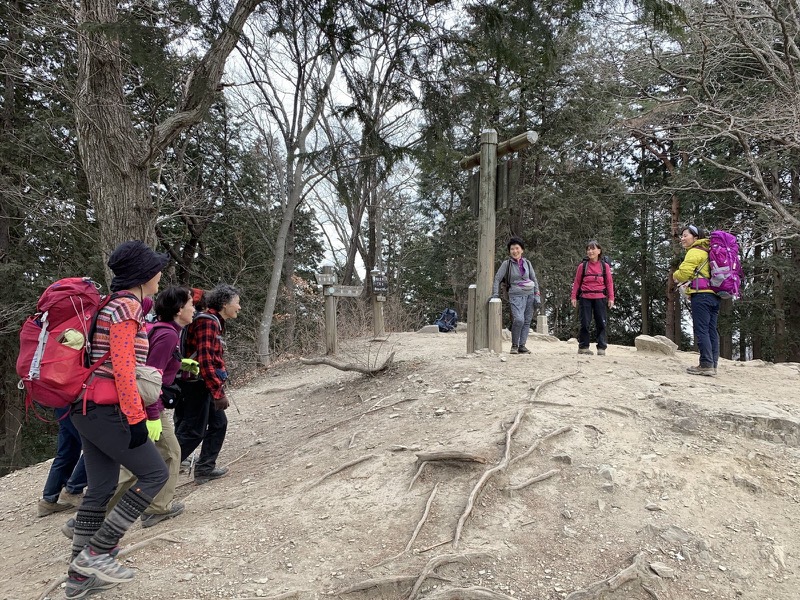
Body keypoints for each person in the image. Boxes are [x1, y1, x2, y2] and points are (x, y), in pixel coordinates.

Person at [64, 241, 170, 599]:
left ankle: (78, 578)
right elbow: (124, 369)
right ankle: (97, 552)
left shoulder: (109, 305)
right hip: (107, 409)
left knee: (101, 488)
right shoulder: (126, 308)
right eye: (156, 270)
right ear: (144, 275)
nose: (160, 275)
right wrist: (137, 417)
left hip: (85, 409)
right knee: (156, 474)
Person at [106, 286, 193, 528]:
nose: (194, 309)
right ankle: (156, 508)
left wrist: (180, 364)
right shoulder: (169, 336)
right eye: (191, 304)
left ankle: (93, 514)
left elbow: (153, 367)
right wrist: (152, 415)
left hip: (141, 405)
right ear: (178, 310)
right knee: (167, 455)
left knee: (140, 462)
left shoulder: (159, 329)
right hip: (147, 407)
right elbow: (147, 379)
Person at [176, 284, 240, 484]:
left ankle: (205, 468)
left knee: (219, 424)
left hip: (204, 383)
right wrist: (218, 392)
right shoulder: (208, 323)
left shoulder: (214, 321)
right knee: (193, 432)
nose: (239, 308)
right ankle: (154, 471)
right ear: (224, 304)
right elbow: (205, 360)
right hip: (197, 385)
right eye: (237, 303)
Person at [673, 225, 720, 376]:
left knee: (702, 329)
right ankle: (713, 364)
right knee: (712, 329)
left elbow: (685, 273)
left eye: (685, 235)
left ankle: (706, 364)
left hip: (701, 295)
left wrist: (676, 275)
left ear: (696, 238)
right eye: (682, 236)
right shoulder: (708, 251)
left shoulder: (694, 251)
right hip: (714, 295)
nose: (682, 238)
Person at [492, 237, 541, 355]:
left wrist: (537, 296)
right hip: (515, 295)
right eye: (512, 249)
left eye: (517, 248)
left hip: (530, 295)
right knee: (519, 319)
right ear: (509, 251)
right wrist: (495, 294)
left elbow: (534, 279)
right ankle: (514, 345)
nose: (515, 251)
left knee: (527, 321)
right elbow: (497, 279)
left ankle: (522, 346)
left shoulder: (527, 263)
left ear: (522, 250)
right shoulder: (506, 264)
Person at [570, 240, 615, 356]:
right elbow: (577, 282)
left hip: (600, 297)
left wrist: (611, 298)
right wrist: (573, 296)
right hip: (585, 297)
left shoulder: (604, 267)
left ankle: (601, 347)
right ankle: (583, 347)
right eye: (588, 249)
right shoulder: (582, 266)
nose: (590, 252)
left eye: (593, 249)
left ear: (599, 251)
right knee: (585, 322)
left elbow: (609, 283)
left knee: (601, 322)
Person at [37, 412, 86, 516]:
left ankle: (48, 500)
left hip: (62, 403)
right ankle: (73, 490)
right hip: (77, 404)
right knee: (95, 448)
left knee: (68, 451)